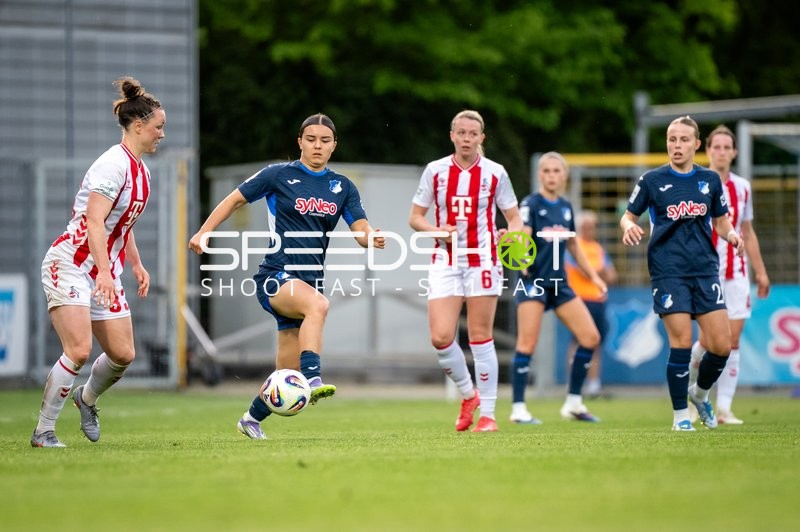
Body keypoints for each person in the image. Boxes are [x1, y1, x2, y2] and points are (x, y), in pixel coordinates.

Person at [189, 113, 385, 440]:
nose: (317, 145)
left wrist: (371, 237)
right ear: (300, 142)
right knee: (319, 306)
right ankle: (313, 379)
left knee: (285, 372)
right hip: (275, 275)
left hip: (308, 282)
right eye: (311, 139)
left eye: (325, 140)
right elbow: (235, 199)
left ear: (334, 145)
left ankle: (251, 418)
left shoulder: (342, 187)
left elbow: (360, 229)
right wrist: (204, 231)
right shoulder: (278, 175)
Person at [31, 77, 165, 447]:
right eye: (158, 127)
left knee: (123, 354)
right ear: (138, 126)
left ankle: (86, 398)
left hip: (103, 270)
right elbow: (93, 220)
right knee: (78, 350)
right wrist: (105, 272)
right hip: (71, 263)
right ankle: (43, 431)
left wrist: (136, 264)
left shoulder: (142, 171)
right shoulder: (112, 165)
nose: (161, 134)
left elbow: (122, 224)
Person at [621, 116, 744, 431]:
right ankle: (680, 418)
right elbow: (628, 216)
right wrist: (628, 227)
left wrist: (731, 235)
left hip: (705, 271)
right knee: (681, 342)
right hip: (668, 272)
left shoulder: (710, 180)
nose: (676, 146)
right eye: (671, 139)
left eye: (683, 140)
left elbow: (721, 221)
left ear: (696, 144)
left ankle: (700, 394)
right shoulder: (651, 180)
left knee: (721, 345)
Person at [409, 110, 522, 433]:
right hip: (446, 259)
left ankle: (488, 415)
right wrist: (435, 230)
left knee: (479, 336)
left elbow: (514, 219)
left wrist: (509, 234)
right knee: (441, 337)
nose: (467, 139)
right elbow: (415, 218)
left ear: (481, 138)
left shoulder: (495, 173)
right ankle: (468, 395)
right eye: (462, 133)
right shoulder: (435, 171)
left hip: (483, 259)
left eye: (473, 134)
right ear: (452, 136)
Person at [511, 152, 607, 424]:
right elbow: (524, 235)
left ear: (564, 175)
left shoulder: (565, 207)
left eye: (557, 171)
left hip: (559, 284)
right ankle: (518, 409)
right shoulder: (530, 204)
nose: (552, 175)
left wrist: (595, 278)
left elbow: (574, 246)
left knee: (590, 337)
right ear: (540, 175)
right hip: (534, 282)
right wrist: (522, 261)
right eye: (547, 171)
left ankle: (574, 403)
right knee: (526, 345)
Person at [688, 125, 770, 425]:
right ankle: (698, 395)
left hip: (736, 273)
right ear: (707, 149)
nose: (721, 152)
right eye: (716, 146)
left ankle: (723, 408)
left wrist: (760, 272)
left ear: (734, 152)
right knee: (710, 342)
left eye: (726, 147)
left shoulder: (742, 187)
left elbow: (747, 232)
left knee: (732, 340)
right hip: (705, 272)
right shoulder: (695, 182)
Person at [564, 210, 618, 398]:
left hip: (598, 300)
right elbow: (584, 271)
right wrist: (597, 273)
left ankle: (594, 385)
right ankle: (573, 384)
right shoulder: (574, 246)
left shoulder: (597, 248)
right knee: (578, 341)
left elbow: (612, 275)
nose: (589, 230)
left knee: (595, 342)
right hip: (579, 300)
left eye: (592, 227)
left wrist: (595, 273)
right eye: (585, 227)